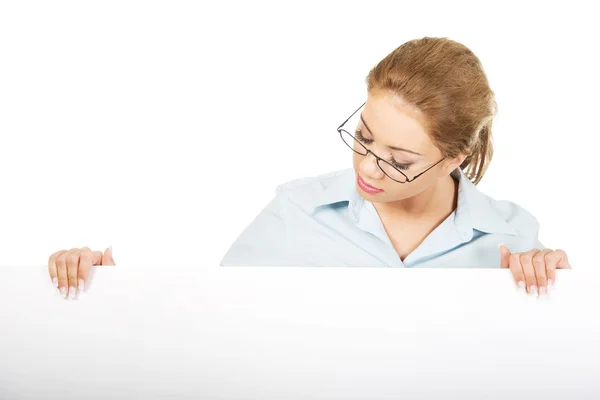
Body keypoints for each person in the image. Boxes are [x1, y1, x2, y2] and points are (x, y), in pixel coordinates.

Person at [46, 37, 571, 300]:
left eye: (399, 160)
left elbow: (542, 367)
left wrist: (555, 292)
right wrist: (104, 290)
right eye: (363, 137)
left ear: (454, 158)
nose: (368, 167)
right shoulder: (297, 209)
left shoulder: (512, 235)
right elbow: (213, 327)